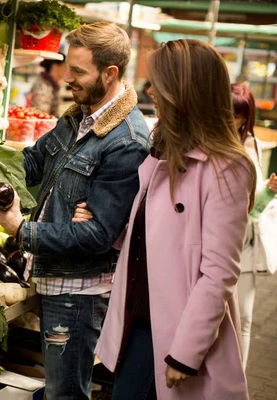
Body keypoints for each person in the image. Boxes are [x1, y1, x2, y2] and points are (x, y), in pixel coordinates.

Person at [0, 21, 150, 399]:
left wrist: (21, 228)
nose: (68, 77)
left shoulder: (127, 142)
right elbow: (31, 164)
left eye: (79, 71)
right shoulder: (79, 116)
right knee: (57, 390)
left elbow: (97, 236)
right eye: (68, 65)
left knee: (64, 394)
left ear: (110, 73)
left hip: (78, 292)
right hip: (52, 276)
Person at [74, 39, 256, 399]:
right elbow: (160, 238)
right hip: (139, 322)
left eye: (158, 83)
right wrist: (111, 229)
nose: (151, 91)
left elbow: (219, 272)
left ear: (183, 90)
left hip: (174, 332)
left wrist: (186, 353)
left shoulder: (227, 168)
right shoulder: (165, 151)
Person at [232, 83, 277, 369]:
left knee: (245, 319)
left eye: (239, 114)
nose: (233, 120)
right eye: (229, 112)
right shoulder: (213, 143)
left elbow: (253, 205)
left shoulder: (254, 145)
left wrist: (269, 191)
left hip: (246, 243)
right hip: (218, 243)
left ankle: (237, 385)